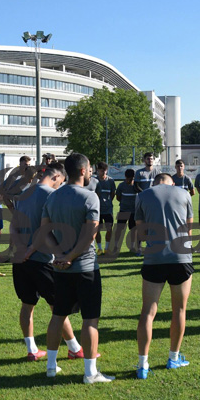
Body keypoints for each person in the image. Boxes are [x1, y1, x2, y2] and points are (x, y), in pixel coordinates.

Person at [36, 153, 114, 384]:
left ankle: (51, 367)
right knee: (90, 320)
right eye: (89, 169)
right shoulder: (90, 196)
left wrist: (59, 254)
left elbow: (44, 231)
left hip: (61, 270)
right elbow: (90, 234)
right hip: (85, 268)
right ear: (82, 171)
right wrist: (69, 256)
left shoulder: (53, 197)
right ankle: (90, 373)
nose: (91, 172)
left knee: (58, 316)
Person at [11, 163, 89, 361]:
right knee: (58, 306)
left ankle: (32, 349)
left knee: (27, 304)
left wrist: (21, 249)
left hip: (20, 260)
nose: (60, 185)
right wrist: (31, 250)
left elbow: (13, 225)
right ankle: (74, 348)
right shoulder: (52, 195)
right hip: (42, 259)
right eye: (60, 182)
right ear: (56, 177)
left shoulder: (24, 194)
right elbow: (45, 229)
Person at [134, 173, 194, 379]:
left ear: (154, 183)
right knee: (179, 310)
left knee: (147, 312)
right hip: (180, 257)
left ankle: (142, 365)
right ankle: (173, 358)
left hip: (154, 258)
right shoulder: (184, 193)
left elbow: (141, 233)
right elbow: (189, 229)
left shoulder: (142, 196)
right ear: (172, 183)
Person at [113, 168, 138, 255]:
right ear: (125, 177)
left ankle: (132, 247)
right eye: (128, 179)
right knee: (119, 229)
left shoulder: (136, 186)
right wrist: (124, 203)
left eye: (131, 179)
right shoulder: (121, 185)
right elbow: (118, 197)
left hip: (134, 212)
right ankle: (115, 246)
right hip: (123, 210)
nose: (129, 181)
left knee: (133, 230)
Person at [94, 162, 116, 254]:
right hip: (97, 209)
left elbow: (113, 193)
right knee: (96, 229)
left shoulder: (110, 181)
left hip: (108, 209)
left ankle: (107, 248)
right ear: (97, 171)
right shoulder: (94, 181)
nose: (103, 172)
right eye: (101, 170)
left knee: (109, 228)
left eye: (104, 170)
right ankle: (99, 248)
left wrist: (108, 202)